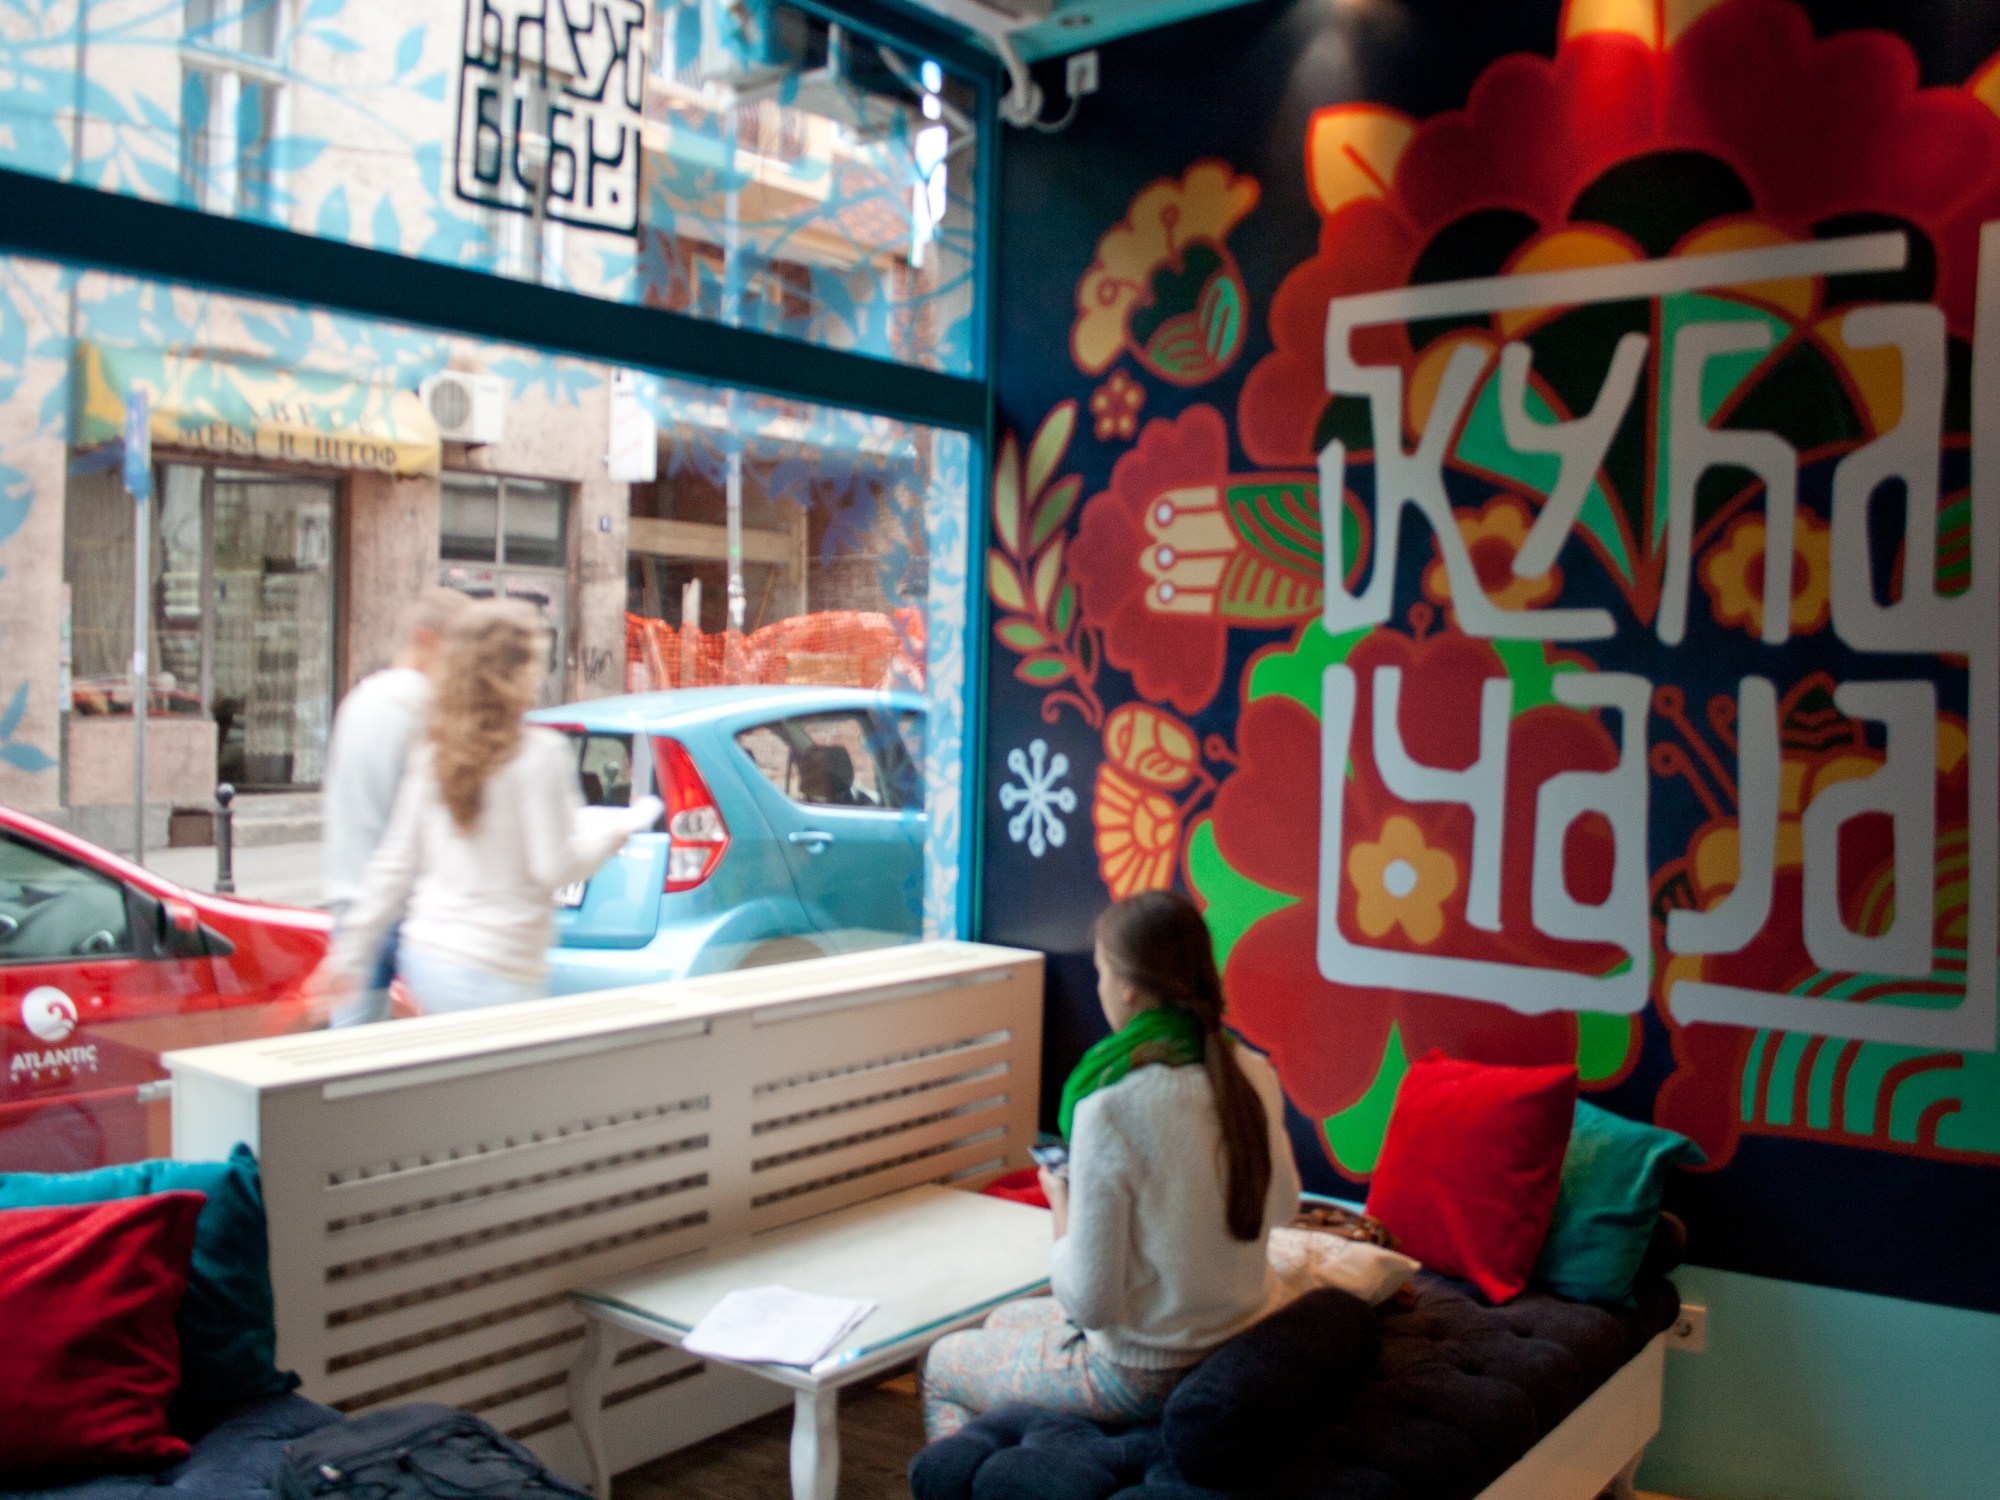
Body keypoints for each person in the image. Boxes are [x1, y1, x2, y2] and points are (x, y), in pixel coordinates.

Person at [920, 889, 1302, 1440]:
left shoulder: (1111, 1108)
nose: (1098, 987)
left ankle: (969, 1469)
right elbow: (1284, 1207)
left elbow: (1089, 1305)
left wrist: (1062, 1203)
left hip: (1145, 1372)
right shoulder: (1252, 1071)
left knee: (941, 1362)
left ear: (1127, 986)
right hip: (1239, 1332)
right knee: (1003, 1320)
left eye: (1100, 971)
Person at [306, 599, 661, 1017]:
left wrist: (349, 953)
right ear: (522, 672)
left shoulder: (435, 749)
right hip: (500, 964)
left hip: (429, 957)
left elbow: (395, 862)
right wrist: (617, 831)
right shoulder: (538, 754)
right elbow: (555, 867)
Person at [320, 586, 470, 1025]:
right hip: (414, 913)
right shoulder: (427, 708)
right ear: (429, 641)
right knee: (452, 1042)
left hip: (353, 904)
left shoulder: (359, 700)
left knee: (355, 1049)